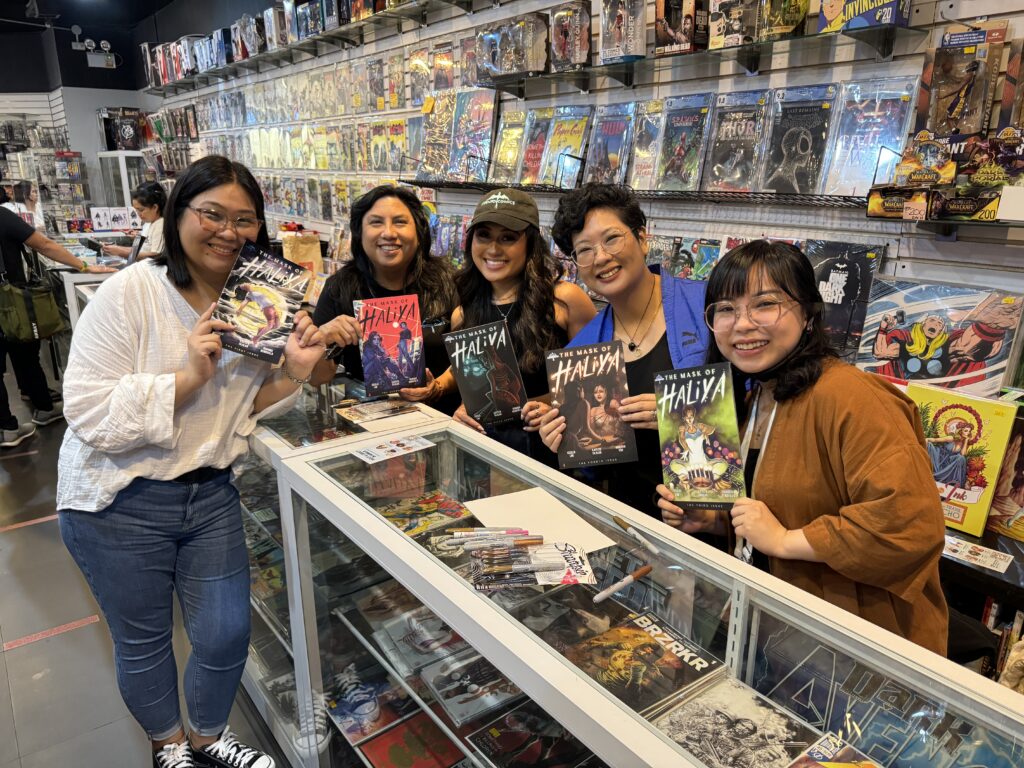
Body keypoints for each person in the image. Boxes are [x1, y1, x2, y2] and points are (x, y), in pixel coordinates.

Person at [57, 155, 324, 768]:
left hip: (209, 495)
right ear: (179, 215)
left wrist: (293, 375)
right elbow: (86, 409)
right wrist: (186, 377)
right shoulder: (131, 293)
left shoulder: (260, 302)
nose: (229, 232)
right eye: (212, 214)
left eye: (245, 220)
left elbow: (241, 409)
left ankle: (207, 734)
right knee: (144, 640)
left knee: (227, 631)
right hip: (118, 500)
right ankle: (169, 746)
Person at [655, 240, 948, 654]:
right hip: (772, 635)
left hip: (852, 652)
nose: (742, 324)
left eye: (765, 304)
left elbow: (908, 528)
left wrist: (784, 541)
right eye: (725, 309)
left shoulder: (852, 397)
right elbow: (773, 507)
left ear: (809, 315)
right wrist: (710, 519)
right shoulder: (754, 395)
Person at [537, 184, 708, 512]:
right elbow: (592, 463)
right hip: (627, 519)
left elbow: (751, 407)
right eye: (584, 250)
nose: (601, 257)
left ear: (642, 239)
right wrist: (562, 438)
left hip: (704, 516)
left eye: (612, 238)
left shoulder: (706, 307)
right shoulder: (583, 350)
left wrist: (678, 417)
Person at [400, 189, 594, 461]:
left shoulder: (564, 301)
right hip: (485, 449)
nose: (493, 249)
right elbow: (469, 369)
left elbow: (598, 379)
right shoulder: (463, 312)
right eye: (484, 235)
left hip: (551, 449)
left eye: (508, 237)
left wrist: (549, 403)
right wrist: (437, 388)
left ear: (530, 243)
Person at [309, 185, 458, 409]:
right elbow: (317, 378)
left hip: (441, 416)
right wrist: (323, 338)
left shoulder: (449, 283)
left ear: (419, 232)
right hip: (370, 422)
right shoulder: (339, 288)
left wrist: (438, 386)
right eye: (376, 222)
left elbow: (472, 358)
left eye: (400, 222)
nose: (389, 233)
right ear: (359, 233)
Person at [0, 207, 112, 446]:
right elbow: (44, 245)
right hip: (11, 301)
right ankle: (41, 407)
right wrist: (83, 266)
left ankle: (7, 425)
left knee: (19, 354)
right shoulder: (3, 216)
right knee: (25, 351)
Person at [102, 181, 168, 261]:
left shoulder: (160, 224)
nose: (139, 214)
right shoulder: (150, 223)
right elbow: (143, 248)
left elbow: (156, 255)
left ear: (154, 207)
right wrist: (116, 249)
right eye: (136, 210)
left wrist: (121, 252)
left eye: (141, 210)